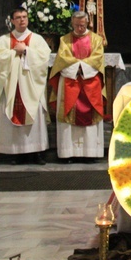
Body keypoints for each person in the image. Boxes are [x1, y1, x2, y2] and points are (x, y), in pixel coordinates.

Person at [0, 8, 51, 165]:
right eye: (18, 17)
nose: (22, 20)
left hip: (31, 86)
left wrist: (26, 51)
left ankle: (37, 152)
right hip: (12, 85)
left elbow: (44, 60)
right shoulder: (3, 41)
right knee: (10, 113)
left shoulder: (37, 40)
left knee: (35, 115)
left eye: (24, 17)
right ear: (12, 21)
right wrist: (13, 53)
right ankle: (14, 153)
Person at [49, 11, 105, 163]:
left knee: (90, 115)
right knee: (68, 117)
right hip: (70, 82)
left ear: (87, 23)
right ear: (72, 24)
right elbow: (62, 59)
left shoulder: (96, 39)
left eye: (83, 25)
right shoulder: (64, 40)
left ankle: (90, 152)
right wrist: (78, 68)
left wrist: (81, 68)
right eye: (77, 25)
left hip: (90, 83)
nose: (80, 28)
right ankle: (68, 153)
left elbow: (97, 59)